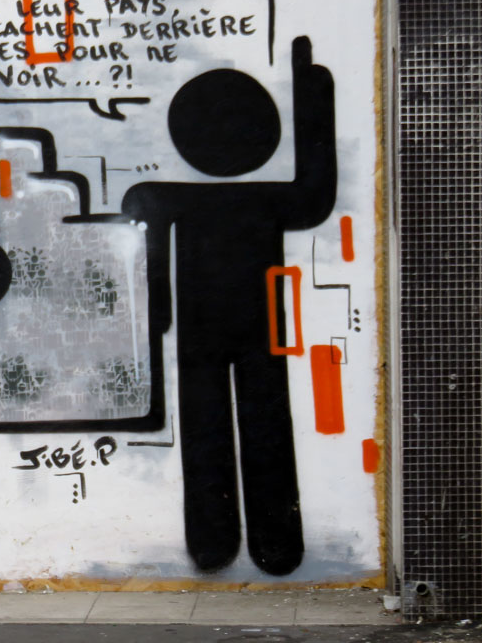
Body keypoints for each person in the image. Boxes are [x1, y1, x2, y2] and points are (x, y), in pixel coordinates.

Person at [122, 36, 337, 575]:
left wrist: (158, 314)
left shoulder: (175, 198)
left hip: (204, 335)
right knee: (264, 426)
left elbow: (141, 212)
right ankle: (272, 542)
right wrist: (313, 92)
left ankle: (217, 542)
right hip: (260, 332)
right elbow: (314, 193)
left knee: (209, 432)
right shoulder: (265, 200)